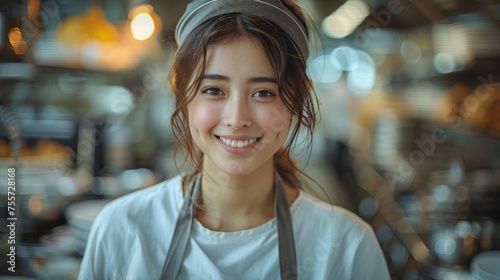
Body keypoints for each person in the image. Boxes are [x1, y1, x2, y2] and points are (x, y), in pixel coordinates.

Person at [78, 0, 391, 279]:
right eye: (213, 90)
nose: (237, 118)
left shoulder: (346, 249)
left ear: (297, 100)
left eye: (264, 93)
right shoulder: (122, 230)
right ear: (181, 94)